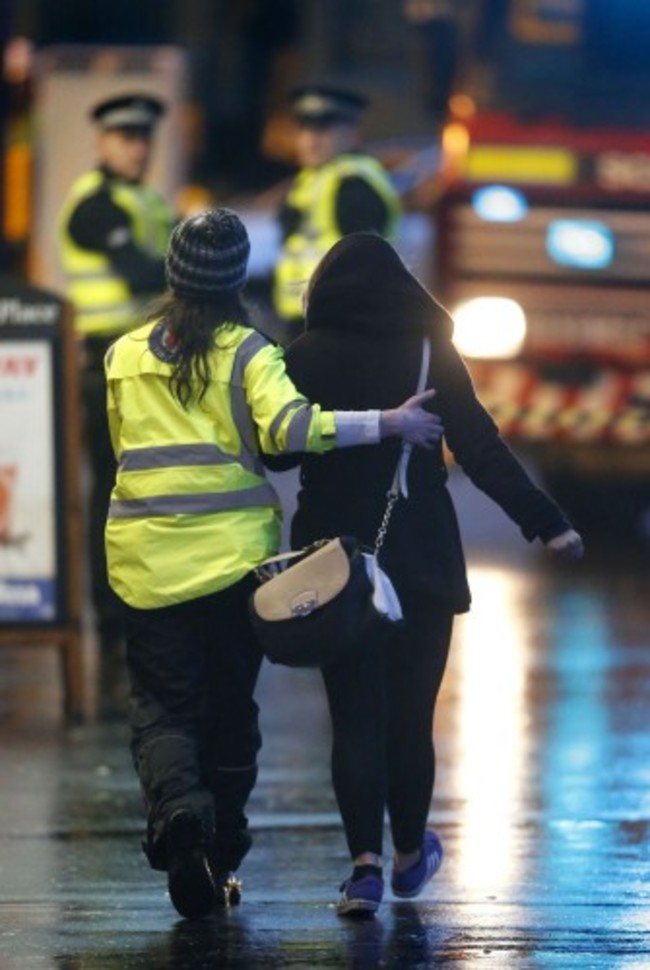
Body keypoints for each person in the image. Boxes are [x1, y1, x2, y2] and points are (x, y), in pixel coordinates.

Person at [103, 209, 443, 920]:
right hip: (233, 568)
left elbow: (122, 449)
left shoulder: (124, 354)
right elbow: (293, 430)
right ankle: (220, 850)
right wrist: (387, 421)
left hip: (146, 567)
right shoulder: (248, 352)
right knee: (231, 716)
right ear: (235, 279)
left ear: (173, 275)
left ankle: (180, 817)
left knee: (164, 712)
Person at [280, 232, 584, 918]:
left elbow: (277, 450)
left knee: (353, 717)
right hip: (418, 558)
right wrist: (547, 521)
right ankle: (411, 854)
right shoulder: (430, 353)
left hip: (336, 568)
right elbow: (480, 447)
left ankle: (363, 870)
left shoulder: (300, 357)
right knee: (410, 720)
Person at [58, 92, 175, 707]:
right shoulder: (93, 204)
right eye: (125, 137)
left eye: (143, 137)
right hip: (105, 364)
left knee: (153, 492)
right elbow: (135, 272)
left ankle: (144, 617)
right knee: (113, 496)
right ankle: (111, 625)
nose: (136, 147)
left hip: (148, 364)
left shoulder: (147, 201)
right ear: (103, 142)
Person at [272, 83, 400, 338]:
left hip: (340, 322)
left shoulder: (354, 184)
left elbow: (365, 263)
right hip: (304, 318)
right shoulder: (309, 180)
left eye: (325, 129)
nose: (311, 139)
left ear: (353, 134)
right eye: (305, 128)